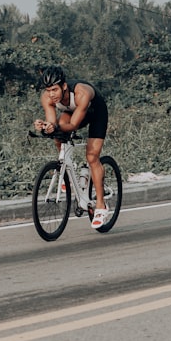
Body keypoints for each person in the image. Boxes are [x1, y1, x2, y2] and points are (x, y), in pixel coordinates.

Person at [32, 66, 111, 228]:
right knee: (57, 131)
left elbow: (74, 125)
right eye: (48, 90)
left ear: (64, 86)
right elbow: (54, 124)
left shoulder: (82, 93)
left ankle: (101, 206)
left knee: (92, 156)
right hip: (72, 111)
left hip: (96, 112)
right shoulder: (47, 98)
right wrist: (45, 126)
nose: (51, 94)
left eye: (54, 89)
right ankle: (67, 169)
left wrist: (54, 128)